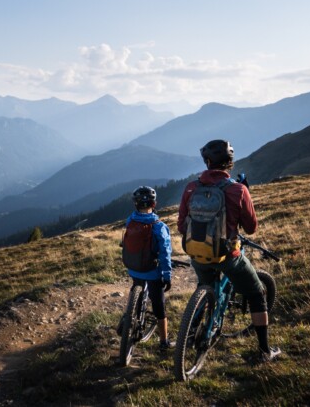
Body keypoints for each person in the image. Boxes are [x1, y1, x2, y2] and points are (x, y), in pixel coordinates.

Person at [177, 139, 281, 362]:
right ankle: (264, 351)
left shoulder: (191, 188)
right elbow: (251, 228)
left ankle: (189, 332)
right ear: (230, 163)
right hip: (228, 255)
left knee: (204, 285)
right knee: (256, 293)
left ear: (207, 161)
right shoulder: (238, 190)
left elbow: (181, 226)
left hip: (198, 254)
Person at [119, 185, 174, 351]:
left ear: (136, 204)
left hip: (134, 268)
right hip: (152, 272)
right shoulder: (159, 226)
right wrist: (167, 274)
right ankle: (163, 342)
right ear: (154, 204)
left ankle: (128, 317)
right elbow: (165, 253)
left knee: (137, 289)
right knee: (159, 305)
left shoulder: (131, 220)